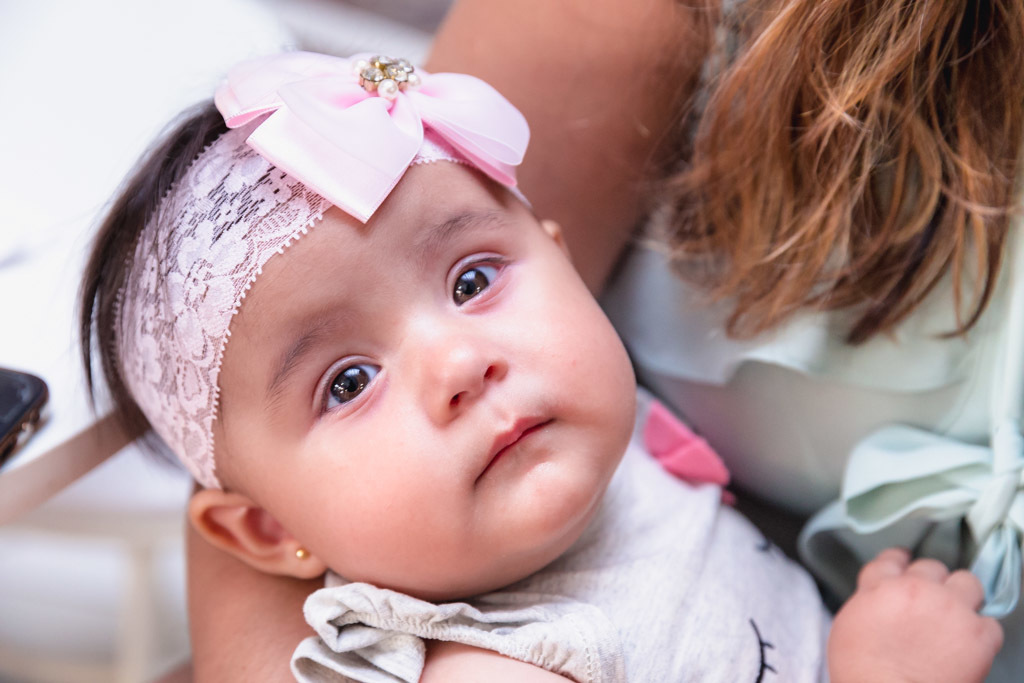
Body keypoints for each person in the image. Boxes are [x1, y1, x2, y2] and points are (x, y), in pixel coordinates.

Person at [79, 51, 1003, 681]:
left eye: (474, 279)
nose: (461, 361)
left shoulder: (605, 452)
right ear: (267, 528)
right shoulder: (508, 661)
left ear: (564, 260)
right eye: (347, 381)